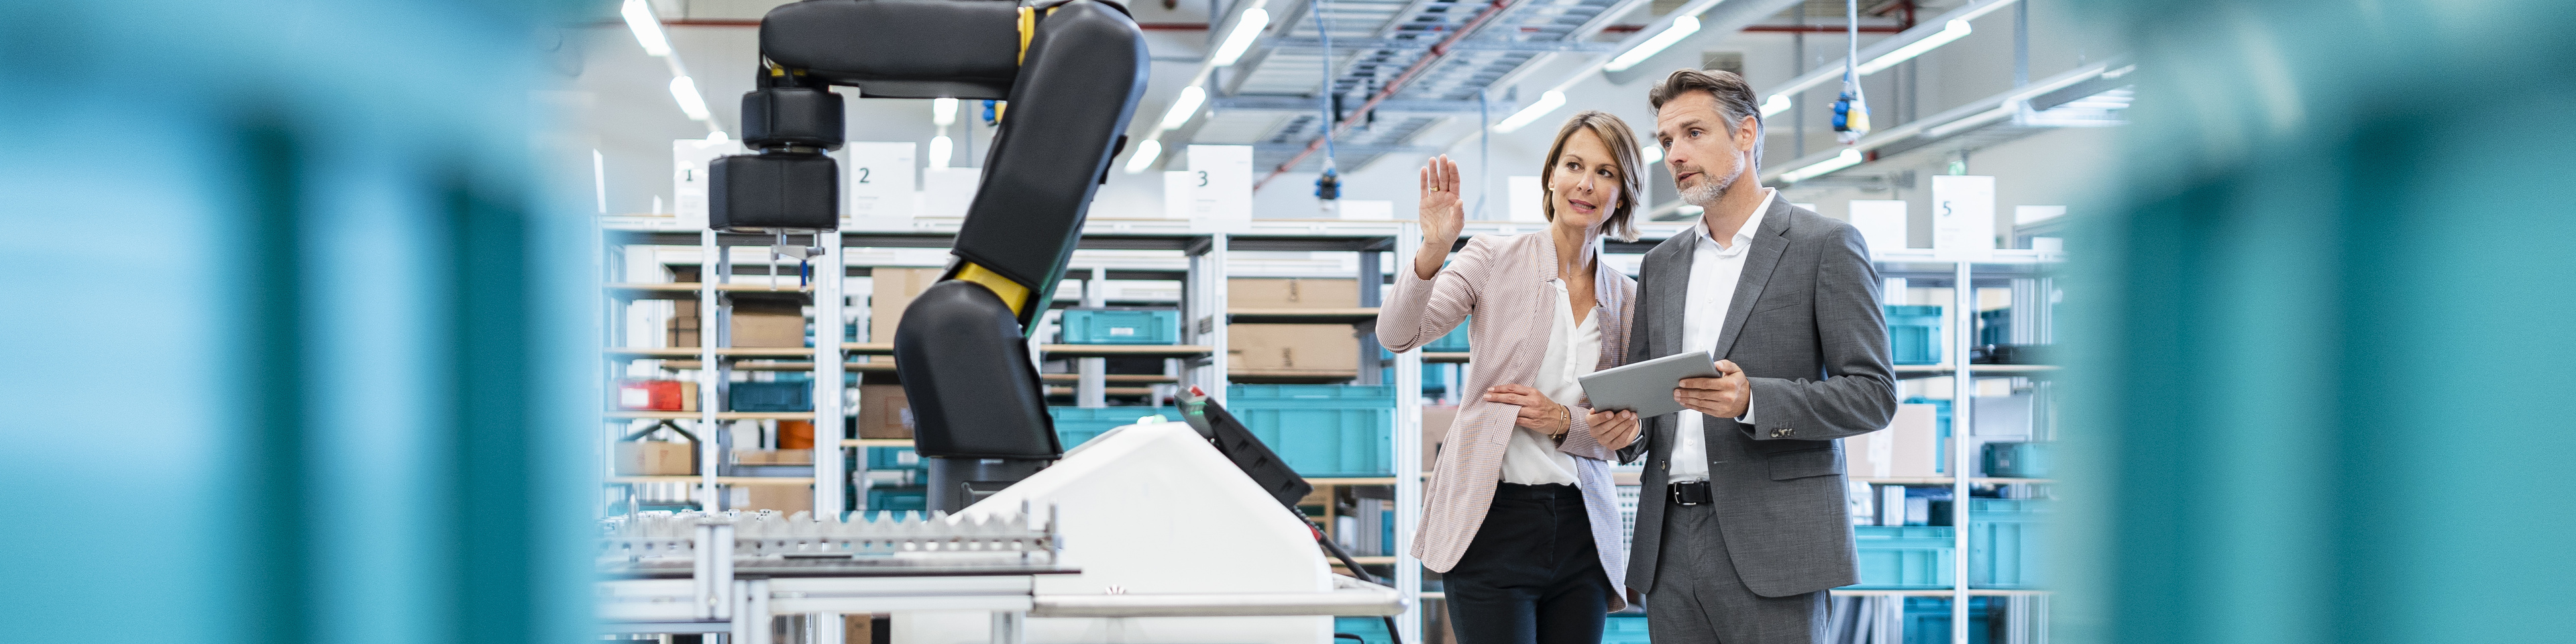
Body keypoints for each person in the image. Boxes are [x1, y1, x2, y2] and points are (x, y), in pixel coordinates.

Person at [1617, 68, 1898, 643]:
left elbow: (1874, 395)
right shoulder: (1661, 264)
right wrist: (1626, 429)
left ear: (1745, 134)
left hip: (1777, 544)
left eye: (1693, 133)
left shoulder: (1825, 246)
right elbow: (1650, 407)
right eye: (1666, 141)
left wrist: (1752, 401)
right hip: (1669, 544)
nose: (1675, 154)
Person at [1377, 110, 1650, 644]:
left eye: (1606, 172)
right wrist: (1434, 250)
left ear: (1623, 193)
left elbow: (1629, 434)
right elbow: (1397, 335)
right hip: (1491, 519)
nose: (1586, 184)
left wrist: (1564, 421)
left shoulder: (1628, 299)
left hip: (1582, 527)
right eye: (1574, 165)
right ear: (1551, 176)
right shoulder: (1493, 257)